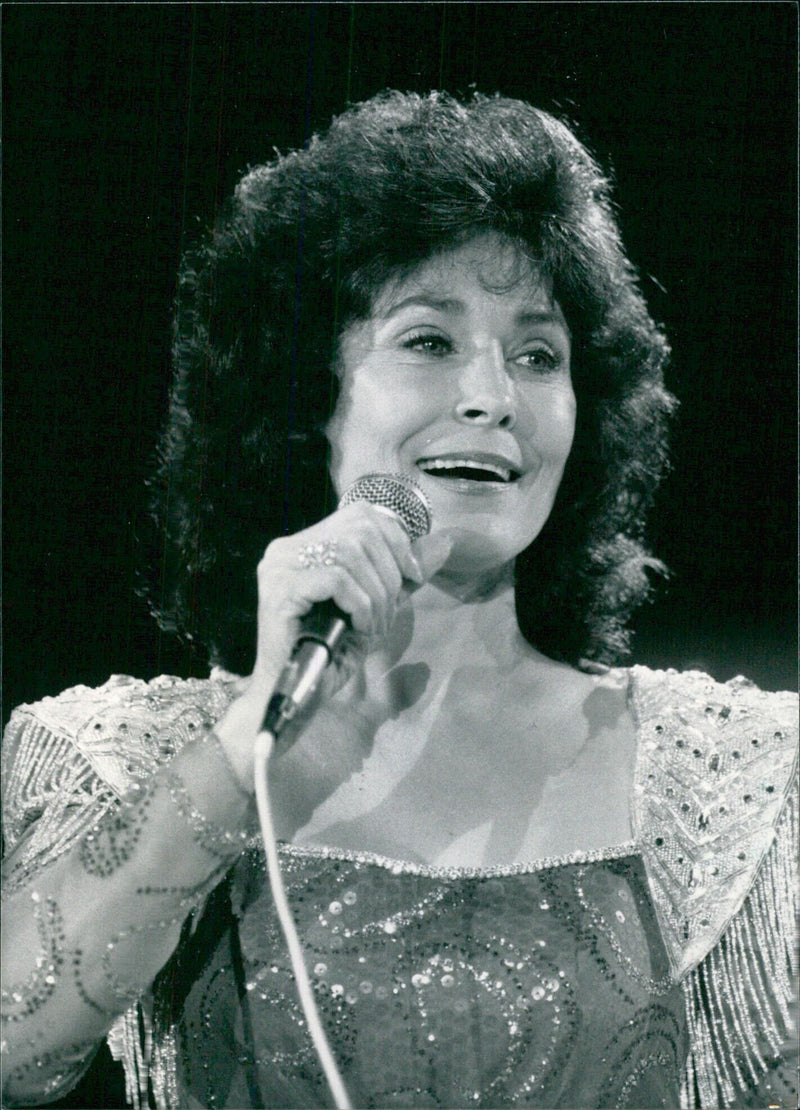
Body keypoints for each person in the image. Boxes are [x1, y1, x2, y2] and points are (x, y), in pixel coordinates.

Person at [2, 91, 796, 1110]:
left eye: (535, 354)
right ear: (308, 396)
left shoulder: (743, 772)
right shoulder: (118, 755)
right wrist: (247, 739)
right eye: (428, 342)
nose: (491, 395)